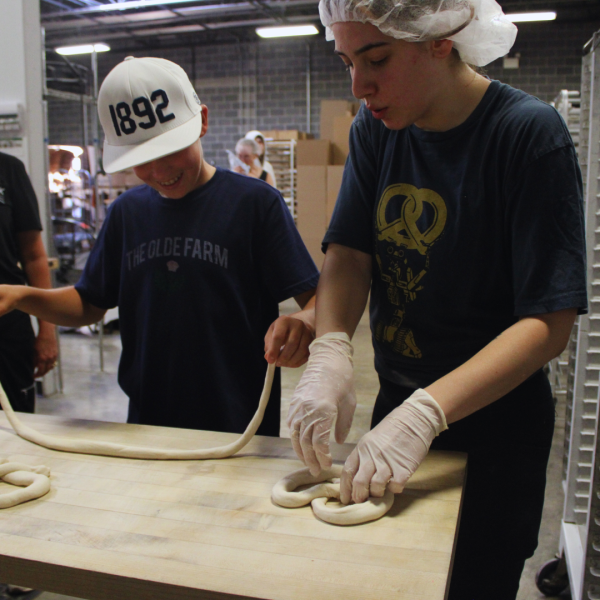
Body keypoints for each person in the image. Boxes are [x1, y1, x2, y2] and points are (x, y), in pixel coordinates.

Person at [285, 1, 587, 598]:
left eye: (377, 58)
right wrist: (332, 348)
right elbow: (349, 254)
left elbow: (548, 322)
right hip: (396, 407)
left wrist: (428, 413)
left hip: (494, 425)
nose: (359, 85)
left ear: (441, 39)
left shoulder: (527, 136)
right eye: (346, 61)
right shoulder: (376, 128)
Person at [0, 56, 319, 438]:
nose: (160, 172)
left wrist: (304, 322)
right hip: (147, 422)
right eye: (142, 160)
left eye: (169, 150)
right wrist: (21, 296)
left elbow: (318, 300)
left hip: (238, 425)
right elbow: (89, 303)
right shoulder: (125, 214)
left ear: (201, 120)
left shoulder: (255, 204)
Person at [0, 151, 58, 414]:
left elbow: (34, 256)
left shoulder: (9, 170)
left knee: (17, 423)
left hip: (7, 326)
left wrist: (47, 331)